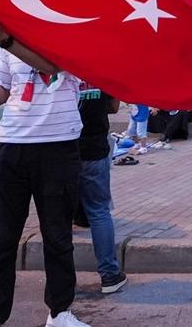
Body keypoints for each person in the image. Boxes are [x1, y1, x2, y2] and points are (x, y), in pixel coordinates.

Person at [0, 19, 90, 327]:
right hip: (10, 145)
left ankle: (60, 312)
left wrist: (5, 39)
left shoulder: (70, 33)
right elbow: (1, 96)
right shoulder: (8, 40)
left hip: (58, 145)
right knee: (1, 241)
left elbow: (51, 67)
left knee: (58, 237)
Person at [76, 92, 127, 295]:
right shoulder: (101, 65)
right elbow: (114, 107)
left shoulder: (61, 64)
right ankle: (109, 275)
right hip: (94, 147)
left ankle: (60, 279)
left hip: (63, 146)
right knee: (99, 211)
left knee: (57, 215)